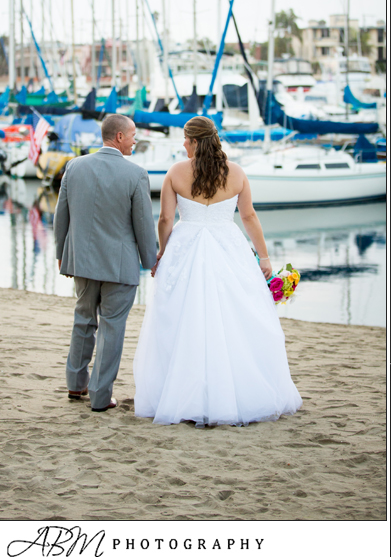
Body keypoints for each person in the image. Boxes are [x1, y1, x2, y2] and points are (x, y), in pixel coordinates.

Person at [133, 115, 302, 427]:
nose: (182, 144)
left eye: (186, 139)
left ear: (196, 141)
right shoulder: (236, 173)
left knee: (182, 318)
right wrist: (263, 257)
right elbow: (249, 216)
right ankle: (235, 392)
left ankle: (185, 394)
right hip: (229, 246)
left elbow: (166, 220)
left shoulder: (176, 172)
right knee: (234, 315)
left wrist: (162, 251)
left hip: (186, 247)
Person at [54, 114, 157, 412]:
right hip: (119, 265)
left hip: (82, 262)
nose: (136, 140)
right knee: (112, 327)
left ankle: (76, 384)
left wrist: (62, 252)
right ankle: (100, 396)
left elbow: (62, 214)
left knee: (83, 318)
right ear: (120, 137)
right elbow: (143, 225)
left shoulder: (74, 166)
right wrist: (151, 260)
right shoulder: (136, 174)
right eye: (133, 134)